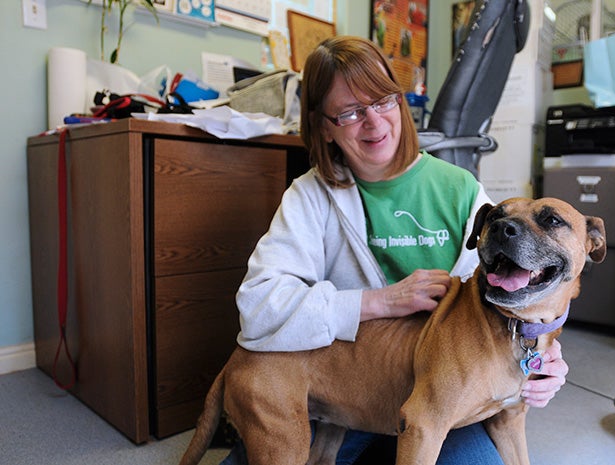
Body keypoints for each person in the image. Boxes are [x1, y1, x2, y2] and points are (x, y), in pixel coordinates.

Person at [222, 35, 568, 465]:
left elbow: (512, 290)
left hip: (439, 395)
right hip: (344, 391)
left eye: (383, 101)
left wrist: (546, 354)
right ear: (324, 127)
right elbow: (257, 307)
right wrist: (375, 302)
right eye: (349, 112)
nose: (374, 123)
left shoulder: (460, 190)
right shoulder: (309, 197)